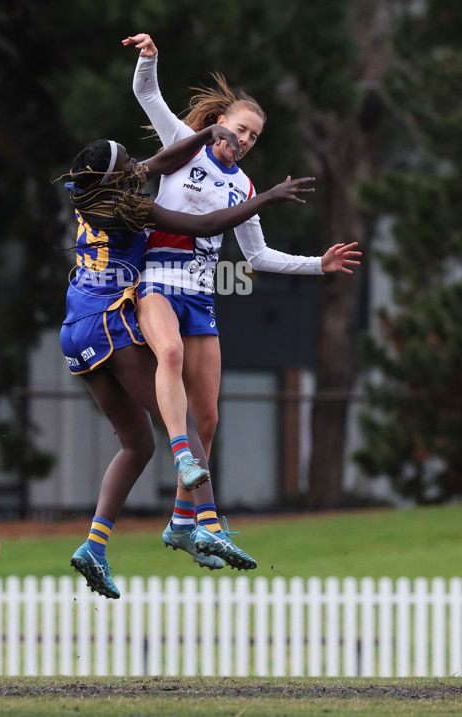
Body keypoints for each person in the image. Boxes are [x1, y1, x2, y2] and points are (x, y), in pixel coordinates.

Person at [122, 32, 362, 561]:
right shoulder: (186, 144)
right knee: (169, 353)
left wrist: (318, 264)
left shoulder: (246, 188)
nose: (247, 138)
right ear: (222, 122)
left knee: (208, 416)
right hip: (159, 282)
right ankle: (183, 463)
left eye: (254, 135)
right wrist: (150, 58)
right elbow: (148, 96)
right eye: (241, 127)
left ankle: (184, 522)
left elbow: (257, 259)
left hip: (202, 297)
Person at [62, 131, 316, 597]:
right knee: (185, 423)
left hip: (75, 328)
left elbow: (158, 161)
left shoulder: (89, 192)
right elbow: (205, 226)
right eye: (129, 163)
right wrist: (268, 198)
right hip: (108, 322)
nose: (138, 164)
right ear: (117, 178)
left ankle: (94, 548)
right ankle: (205, 524)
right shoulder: (131, 208)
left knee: (137, 445)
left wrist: (204, 134)